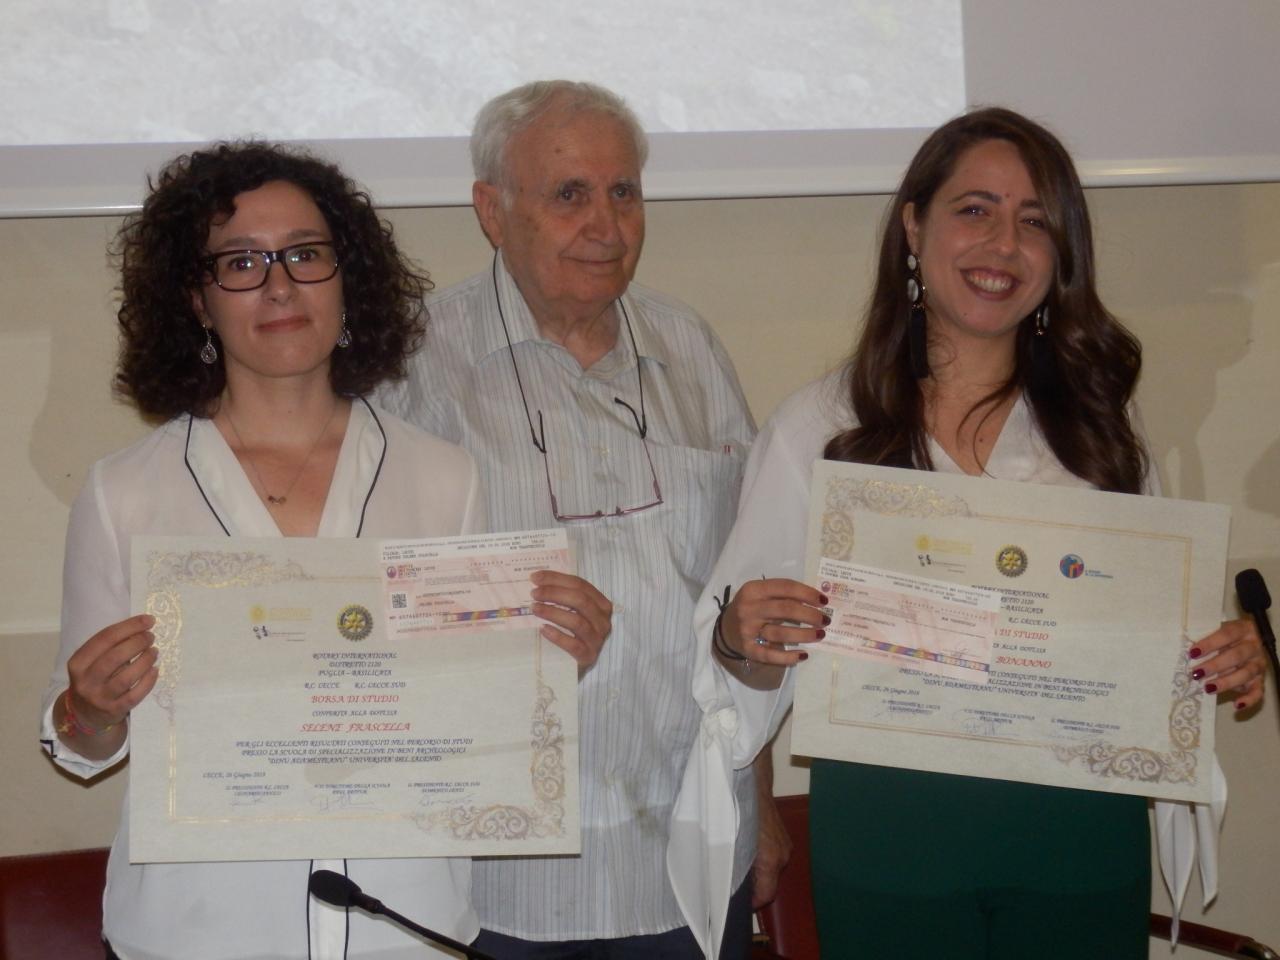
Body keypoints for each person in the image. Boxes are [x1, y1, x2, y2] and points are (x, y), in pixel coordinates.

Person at [677, 108, 1268, 959]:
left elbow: (1153, 639)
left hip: (1081, 834)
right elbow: (734, 662)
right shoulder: (824, 426)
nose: (1003, 243)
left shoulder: (1101, 429)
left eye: (1035, 221)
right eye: (975, 209)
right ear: (914, 227)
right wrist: (743, 635)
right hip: (894, 838)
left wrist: (1220, 655)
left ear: (1059, 255)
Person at [39, 141, 600, 960]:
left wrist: (553, 660)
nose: (278, 286)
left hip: (402, 926)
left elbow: (478, 706)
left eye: (305, 255)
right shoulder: (125, 492)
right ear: (197, 299)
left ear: (347, 279)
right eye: (239, 262)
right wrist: (90, 708)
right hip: (200, 933)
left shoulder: (443, 477)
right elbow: (83, 743)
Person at [378, 80, 782, 959]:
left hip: (692, 845)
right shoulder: (413, 362)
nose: (606, 223)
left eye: (623, 192)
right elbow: (373, 603)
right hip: (500, 870)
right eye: (569, 194)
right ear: (492, 210)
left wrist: (767, 798)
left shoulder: (690, 346)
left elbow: (746, 586)